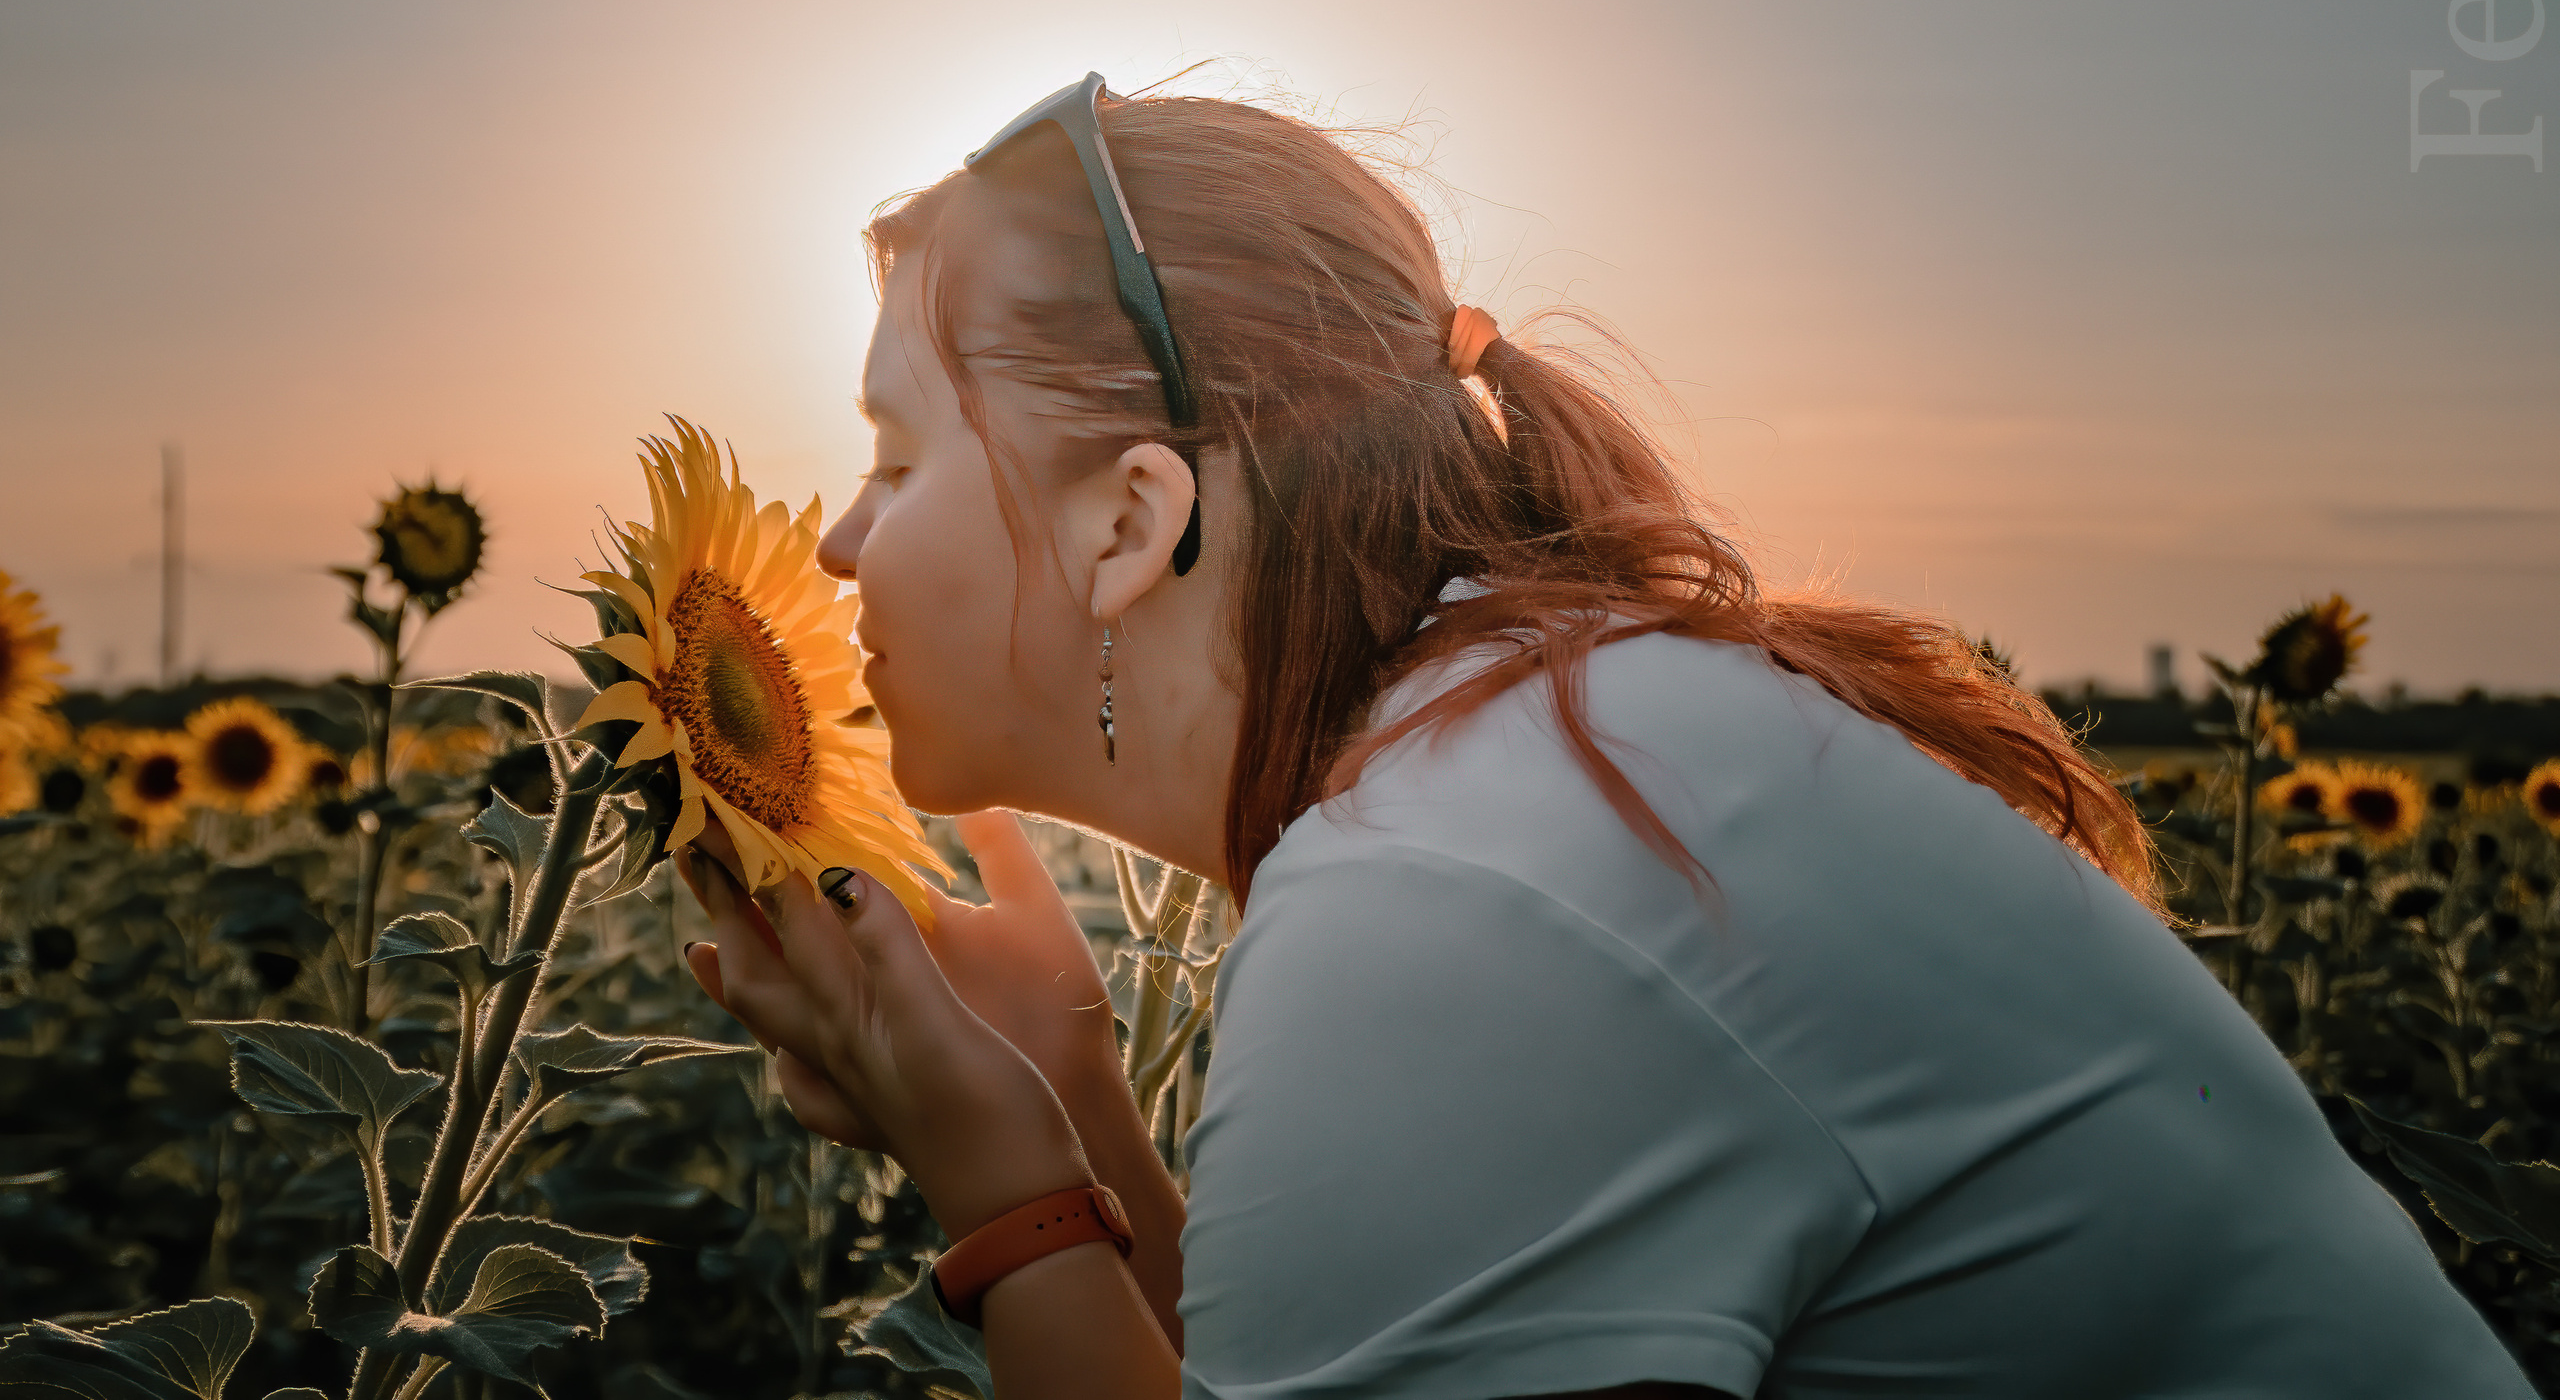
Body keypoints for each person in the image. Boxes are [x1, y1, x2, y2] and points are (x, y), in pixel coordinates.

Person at [673, 76, 2533, 1399]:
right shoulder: (1538, 747)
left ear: (1129, 522)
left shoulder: (1452, 896)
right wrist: (1069, 1082)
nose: (836, 536)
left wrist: (1002, 1195)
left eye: (900, 453)